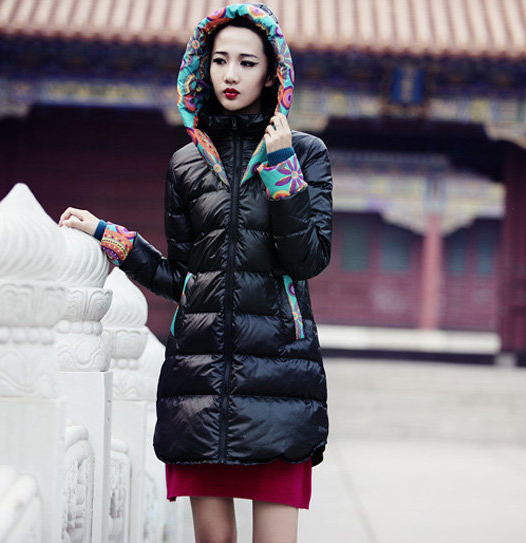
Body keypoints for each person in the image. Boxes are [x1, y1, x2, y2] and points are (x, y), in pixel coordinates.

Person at [59, 4, 332, 542]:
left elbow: (308, 260)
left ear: (272, 74)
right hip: (200, 384)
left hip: (279, 381)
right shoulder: (186, 164)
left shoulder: (304, 154)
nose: (231, 74)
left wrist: (281, 168)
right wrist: (113, 239)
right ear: (202, 68)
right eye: (220, 60)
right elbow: (184, 281)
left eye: (247, 63)